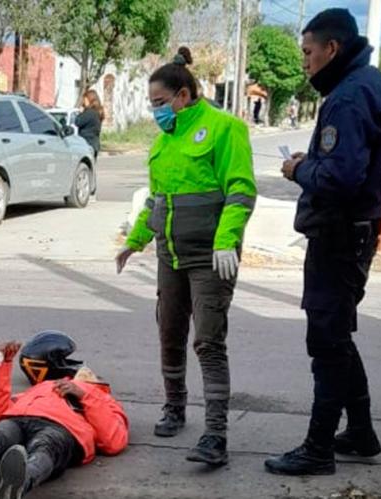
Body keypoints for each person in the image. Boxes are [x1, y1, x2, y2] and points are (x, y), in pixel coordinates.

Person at [265, 8, 381, 476]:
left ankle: (318, 448)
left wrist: (298, 169)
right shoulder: (372, 83)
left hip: (340, 234)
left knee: (326, 342)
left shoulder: (348, 96)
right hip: (356, 231)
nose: (304, 62)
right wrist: (314, 163)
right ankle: (360, 432)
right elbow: (349, 164)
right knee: (338, 334)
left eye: (307, 52)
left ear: (331, 49)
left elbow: (340, 179)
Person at [115, 46, 256, 466]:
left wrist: (226, 240)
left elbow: (240, 190)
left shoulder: (223, 128)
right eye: (152, 104)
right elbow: (156, 202)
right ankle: (174, 407)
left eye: (160, 103)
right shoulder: (164, 142)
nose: (156, 111)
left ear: (183, 95)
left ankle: (216, 435)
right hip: (170, 255)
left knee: (208, 342)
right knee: (169, 334)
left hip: (211, 258)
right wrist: (135, 240)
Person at [0, 333, 128, 499]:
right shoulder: (41, 387)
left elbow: (113, 441)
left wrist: (84, 395)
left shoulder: (102, 398)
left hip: (63, 429)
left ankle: (17, 484)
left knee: (45, 447)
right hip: (19, 418)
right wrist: (2, 366)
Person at [74, 90, 104, 159]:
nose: (83, 102)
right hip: (94, 143)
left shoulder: (89, 113)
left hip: (87, 144)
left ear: (89, 99)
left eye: (84, 99)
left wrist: (81, 112)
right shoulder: (97, 112)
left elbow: (78, 122)